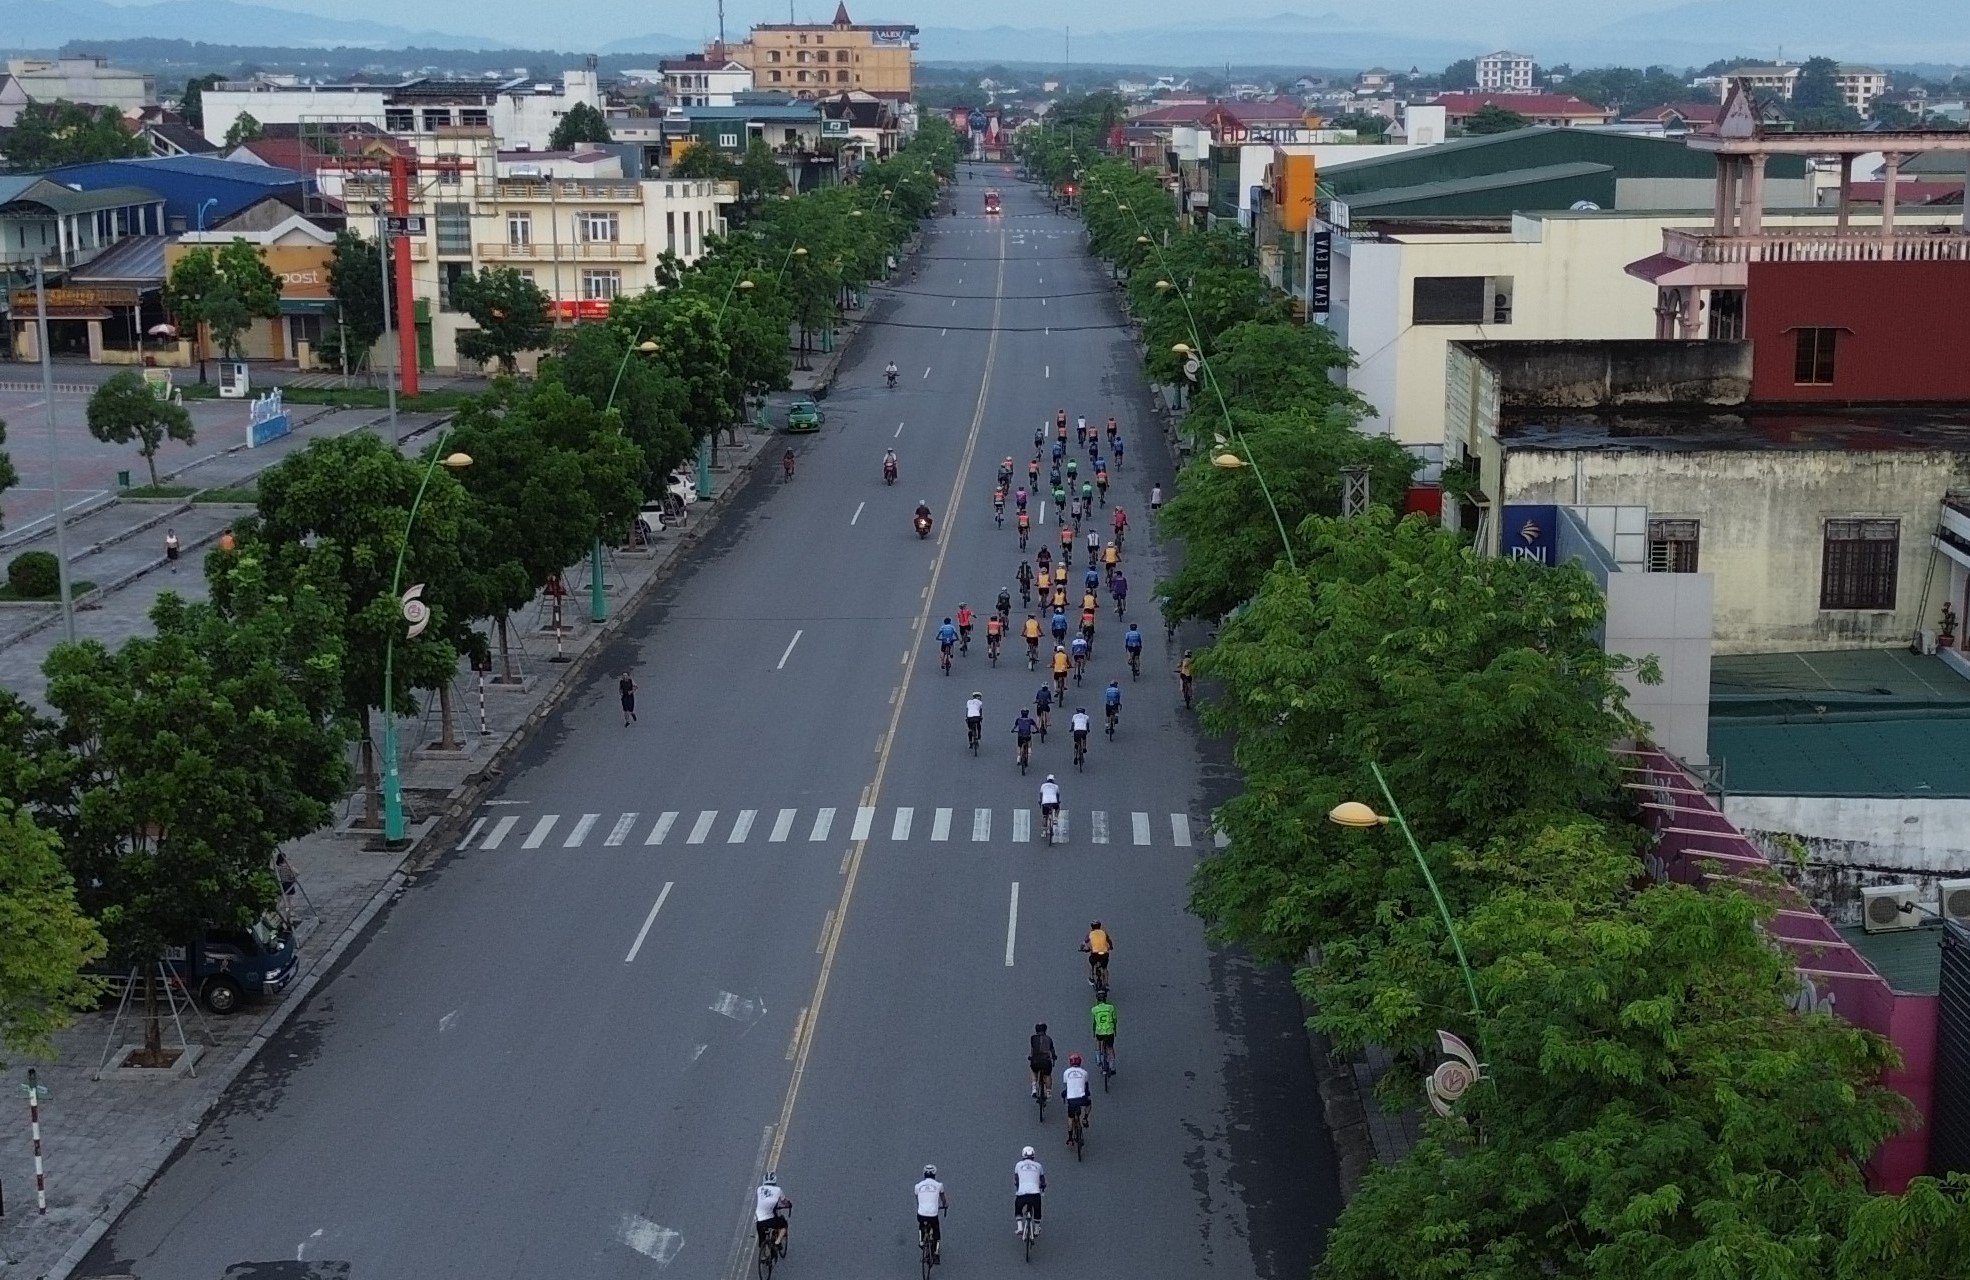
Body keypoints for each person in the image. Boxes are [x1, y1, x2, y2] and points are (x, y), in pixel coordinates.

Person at [915, 1165, 948, 1262]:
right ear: (934, 1174)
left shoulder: (917, 1186)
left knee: (921, 1224)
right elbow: (943, 1200)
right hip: (933, 1214)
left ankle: (921, 1241)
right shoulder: (939, 1185)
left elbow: (918, 1200)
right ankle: (936, 1252)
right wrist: (945, 1205)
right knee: (936, 1230)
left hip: (921, 1213)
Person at [1013, 1147, 1047, 1236]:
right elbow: (1043, 1181)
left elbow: (1016, 1180)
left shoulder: (1018, 1165)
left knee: (1018, 1207)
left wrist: (1018, 1189)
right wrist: (1043, 1188)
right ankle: (1036, 1229)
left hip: (1022, 1193)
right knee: (1037, 1209)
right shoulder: (1039, 1166)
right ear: (1033, 1155)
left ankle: (1020, 1227)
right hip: (1035, 1193)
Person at [755, 1173, 792, 1254]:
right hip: (771, 1219)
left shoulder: (759, 1189)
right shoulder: (778, 1190)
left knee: (762, 1239)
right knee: (784, 1225)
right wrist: (788, 1204)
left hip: (759, 1220)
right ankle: (777, 1242)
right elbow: (784, 1201)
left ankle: (763, 1255)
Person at [1062, 1053, 1092, 1140]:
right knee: (1089, 1103)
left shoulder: (1066, 1072)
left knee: (1070, 1118)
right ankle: (1085, 1118)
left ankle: (1070, 1138)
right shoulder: (1084, 1072)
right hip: (1081, 1098)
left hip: (1071, 1099)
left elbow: (1067, 1086)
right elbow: (1086, 1087)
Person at [1028, 1023, 1057, 1099]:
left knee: (1034, 1071)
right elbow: (1052, 1051)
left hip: (1036, 1060)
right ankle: (1048, 1092)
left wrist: (1031, 1057)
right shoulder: (1049, 1039)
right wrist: (1054, 1057)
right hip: (1045, 1061)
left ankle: (1034, 1087)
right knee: (1047, 1074)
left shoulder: (1033, 1038)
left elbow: (1032, 1050)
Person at [1091, 995, 1118, 1072]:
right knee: (1110, 1047)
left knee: (1098, 1041)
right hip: (1109, 1031)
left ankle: (1098, 1058)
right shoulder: (1110, 1008)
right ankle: (1112, 1066)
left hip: (1099, 1032)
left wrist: (1094, 1032)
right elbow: (1114, 1020)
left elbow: (1094, 1022)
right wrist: (1115, 1030)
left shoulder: (1094, 1009)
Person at [1084, 921, 1112, 987]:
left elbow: (1085, 942)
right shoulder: (1103, 932)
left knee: (1092, 963)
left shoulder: (1090, 933)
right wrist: (1111, 947)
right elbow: (1109, 940)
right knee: (1105, 968)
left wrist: (1083, 948)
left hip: (1095, 953)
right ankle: (1106, 983)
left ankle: (1091, 978)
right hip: (1104, 953)